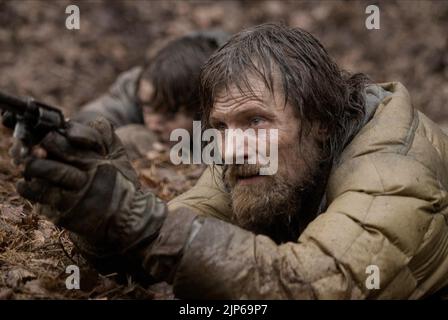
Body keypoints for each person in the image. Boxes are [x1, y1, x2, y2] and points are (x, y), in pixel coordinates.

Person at [11, 23, 448, 299]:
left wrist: (144, 223)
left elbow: (318, 285)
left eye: (256, 120)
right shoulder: (247, 156)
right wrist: (103, 218)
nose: (232, 148)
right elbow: (168, 240)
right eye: (220, 127)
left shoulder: (391, 171)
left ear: (320, 122)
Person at [73, 30, 229, 159]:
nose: (153, 125)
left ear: (203, 110)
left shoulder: (232, 105)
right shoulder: (147, 85)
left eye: (169, 115)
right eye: (147, 109)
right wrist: (116, 139)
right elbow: (90, 119)